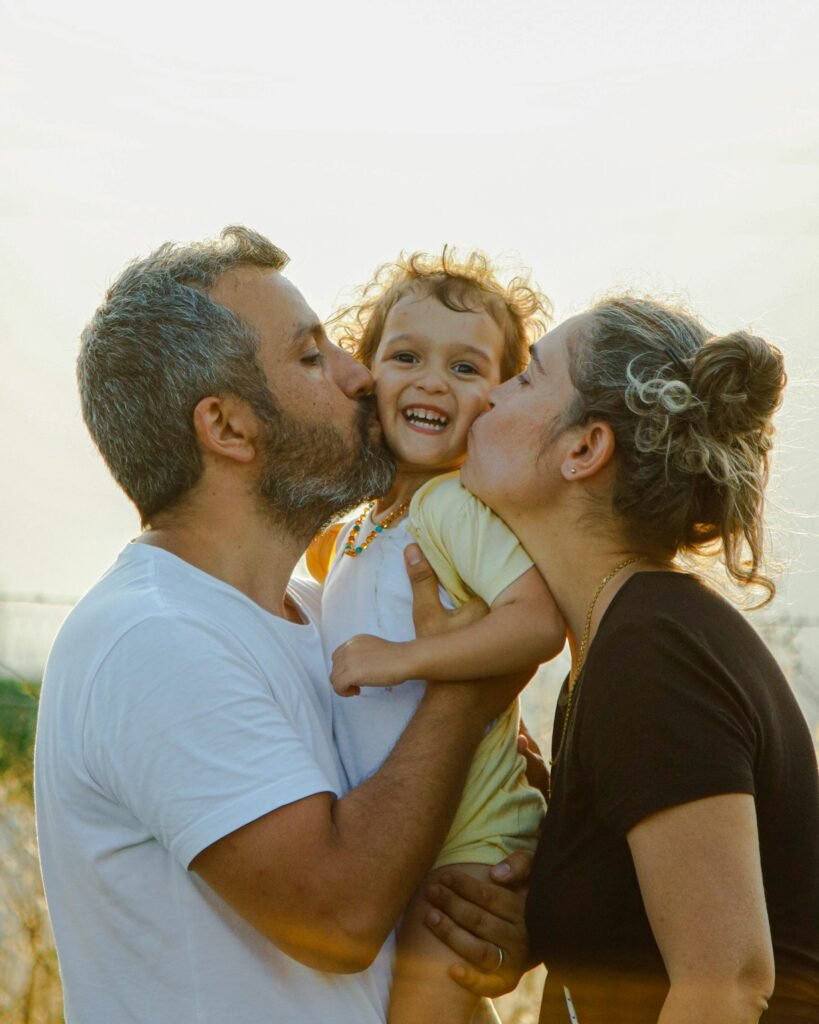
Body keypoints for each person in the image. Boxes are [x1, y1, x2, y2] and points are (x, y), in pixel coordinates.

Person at [34, 227, 534, 1024]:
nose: (358, 374)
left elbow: (433, 810)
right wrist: (464, 691)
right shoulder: (154, 639)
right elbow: (338, 917)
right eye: (310, 356)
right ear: (228, 428)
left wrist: (496, 903)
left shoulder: (325, 608)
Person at [452, 295, 819, 1023]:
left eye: (527, 377)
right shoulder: (617, 639)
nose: (491, 393)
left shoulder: (653, 653)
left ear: (584, 449)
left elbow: (727, 984)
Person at [306, 250, 565, 1024]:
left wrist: (405, 659)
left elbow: (535, 622)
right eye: (406, 357)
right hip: (397, 835)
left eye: (464, 367)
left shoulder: (452, 507)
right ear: (366, 375)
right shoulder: (357, 528)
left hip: (470, 839)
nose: (430, 382)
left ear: (498, 398)